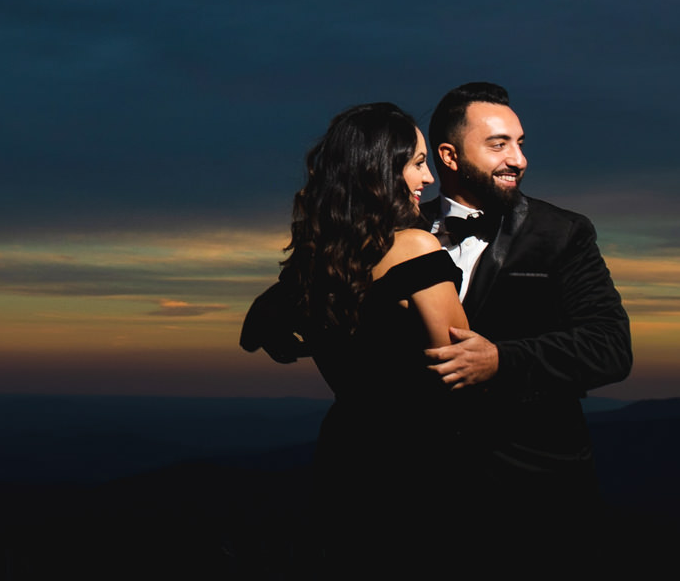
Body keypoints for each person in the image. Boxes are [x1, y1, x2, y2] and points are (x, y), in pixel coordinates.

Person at [420, 81, 633, 512]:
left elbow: (610, 348)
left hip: (536, 489)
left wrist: (502, 360)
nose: (519, 160)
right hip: (422, 489)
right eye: (499, 145)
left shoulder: (563, 233)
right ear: (449, 156)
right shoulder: (405, 231)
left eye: (519, 144)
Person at [238, 101, 468, 494]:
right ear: (380, 169)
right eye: (417, 162)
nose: (429, 177)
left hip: (343, 455)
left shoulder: (315, 265)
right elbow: (462, 374)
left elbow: (253, 329)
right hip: (416, 460)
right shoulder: (415, 248)